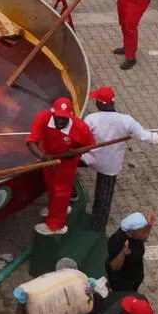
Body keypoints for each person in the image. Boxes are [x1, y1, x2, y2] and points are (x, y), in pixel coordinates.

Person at [82, 86, 158, 229]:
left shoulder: (91, 119)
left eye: (96, 100)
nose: (95, 102)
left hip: (87, 159)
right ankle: (98, 224)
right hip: (110, 166)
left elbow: (79, 138)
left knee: (67, 165)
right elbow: (152, 138)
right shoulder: (127, 121)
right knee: (104, 198)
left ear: (100, 103)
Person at [26, 97, 96, 234]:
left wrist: (74, 153)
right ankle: (55, 209)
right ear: (52, 113)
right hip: (48, 159)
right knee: (51, 186)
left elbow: (89, 145)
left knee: (61, 192)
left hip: (66, 165)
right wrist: (43, 157)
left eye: (64, 118)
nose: (60, 121)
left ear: (70, 116)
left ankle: (56, 225)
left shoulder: (80, 127)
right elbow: (31, 141)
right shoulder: (43, 117)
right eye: (58, 117)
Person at [105, 211, 155, 294]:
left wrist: (149, 225)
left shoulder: (137, 235)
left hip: (135, 276)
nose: (145, 231)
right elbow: (114, 267)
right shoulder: (116, 241)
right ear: (132, 231)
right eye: (142, 229)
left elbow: (144, 236)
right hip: (122, 281)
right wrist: (123, 253)